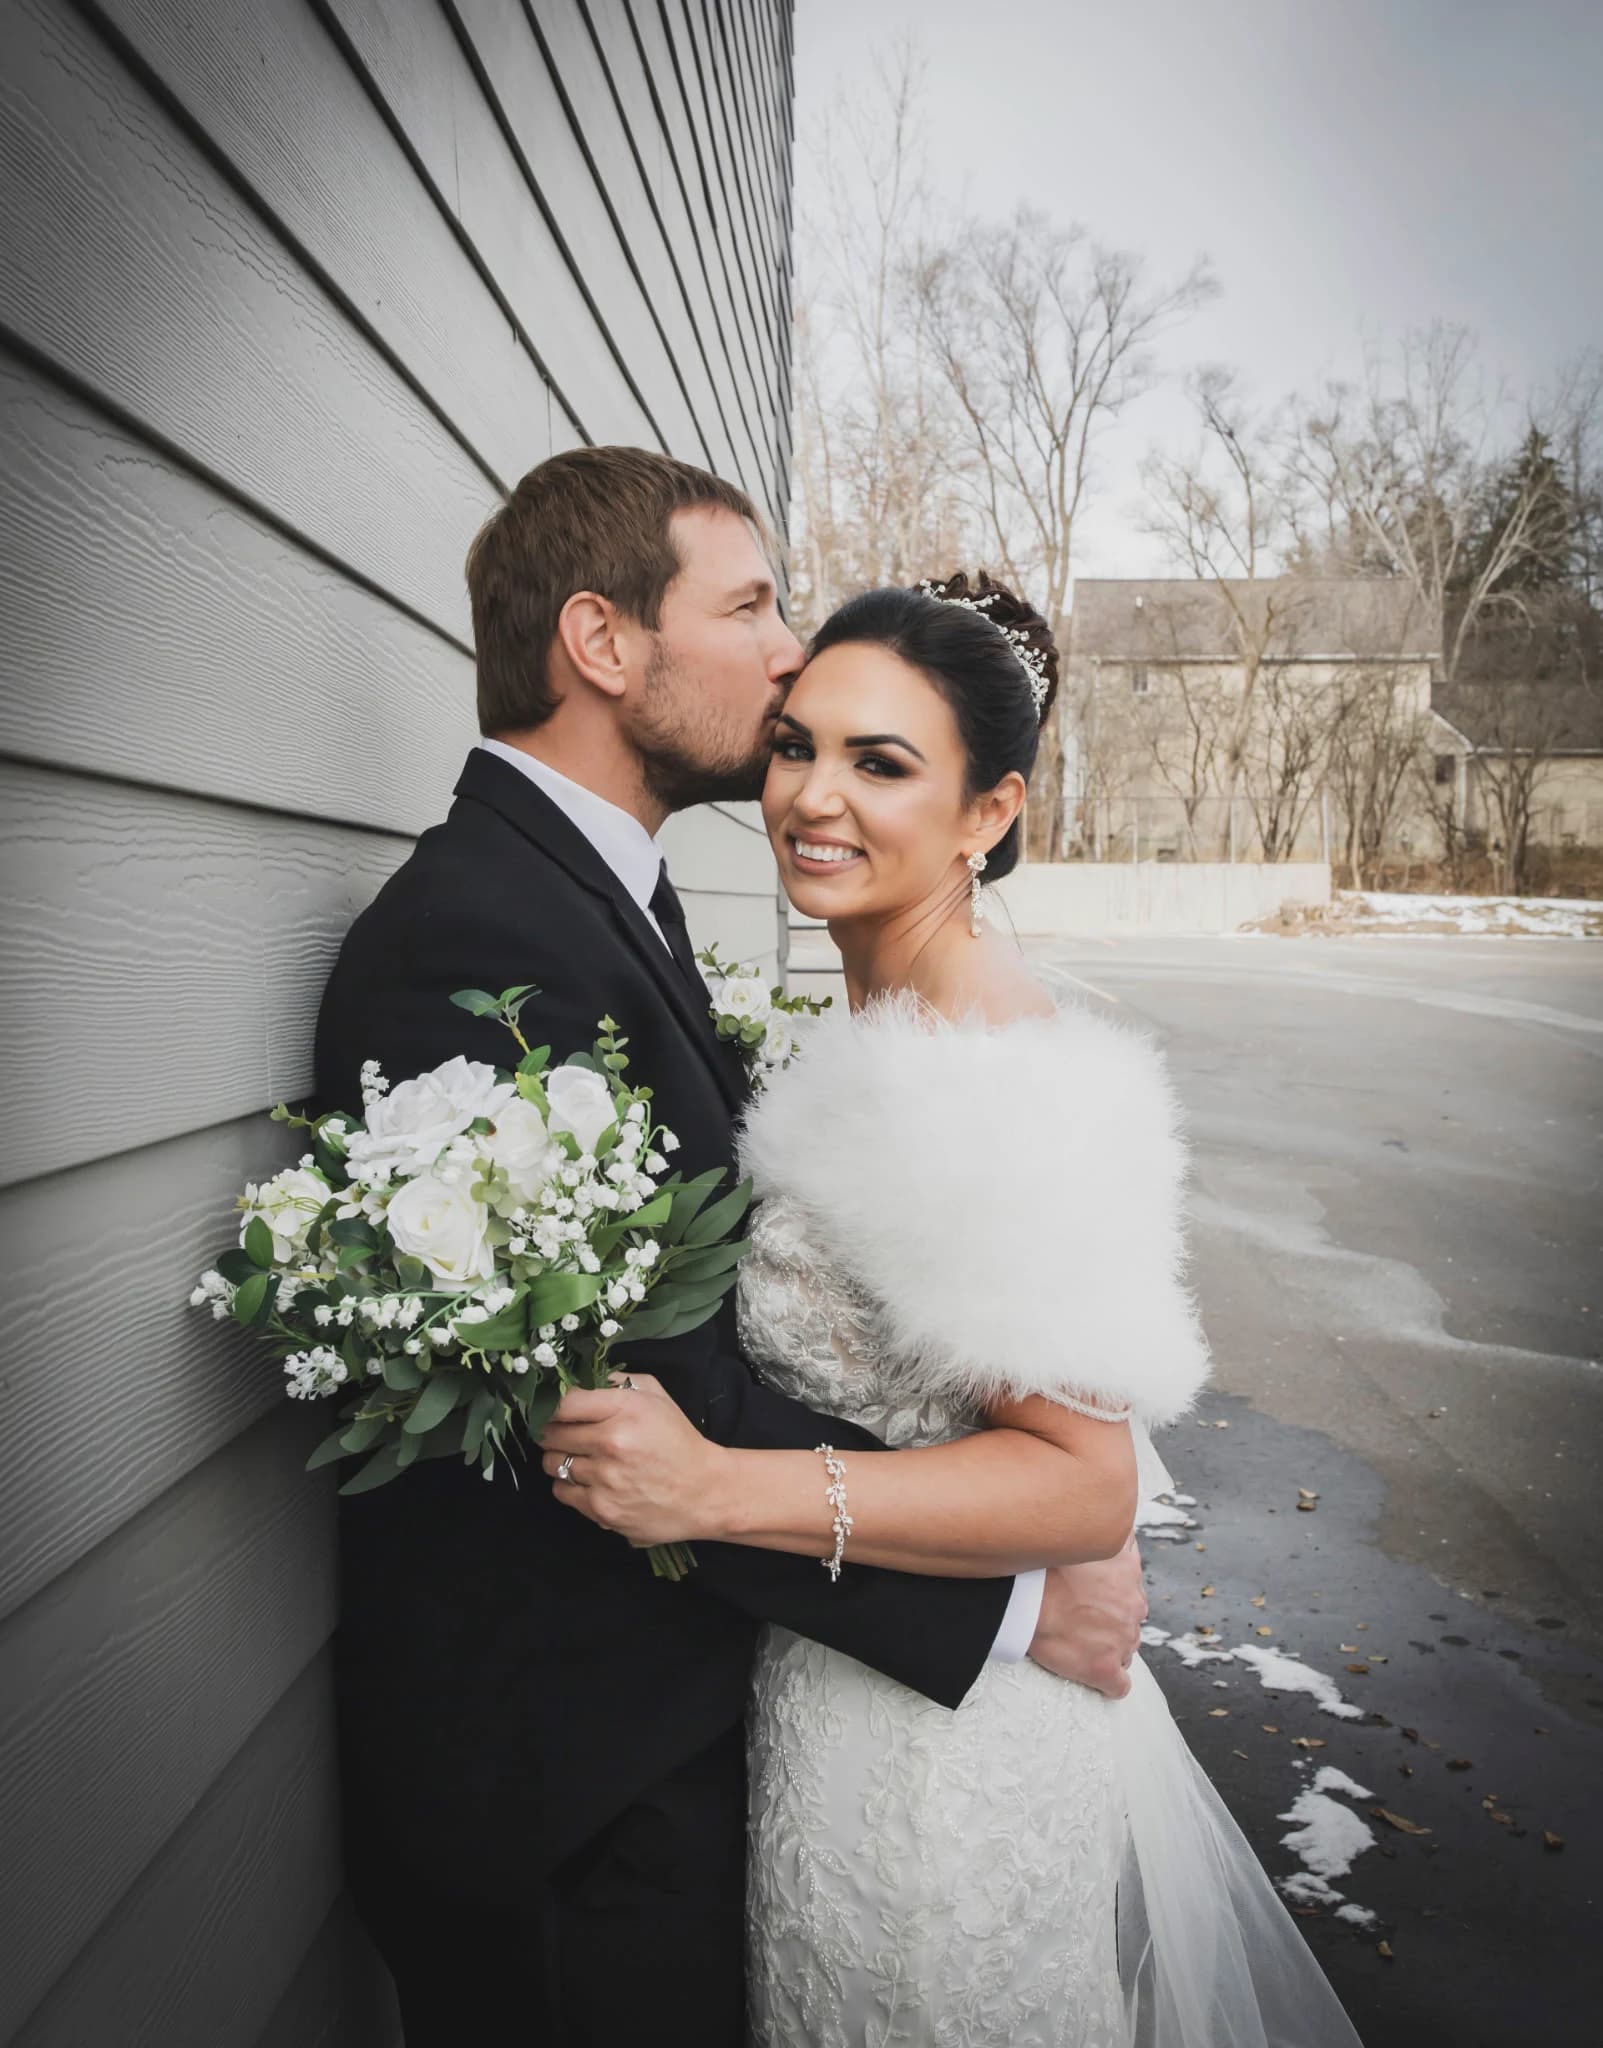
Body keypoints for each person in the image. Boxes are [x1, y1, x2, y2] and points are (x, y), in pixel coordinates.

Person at [313, 452, 1147, 2047]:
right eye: (753, 605)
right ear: (603, 645)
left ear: (989, 812)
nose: (786, 653)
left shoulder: (598, 899)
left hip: (744, 1745)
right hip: (566, 1801)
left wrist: (1036, 1539)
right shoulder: (486, 939)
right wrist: (1018, 1605)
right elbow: (642, 1397)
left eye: (873, 755)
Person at [538, 573, 1367, 2046]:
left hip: (941, 1766)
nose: (813, 797)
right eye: (798, 746)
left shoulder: (980, 1073)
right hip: (844, 1692)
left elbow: (1080, 1478)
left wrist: (717, 1486)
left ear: (990, 813)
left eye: (883, 764)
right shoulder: (878, 1022)